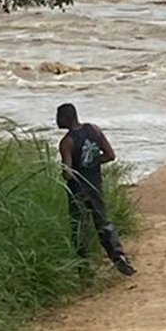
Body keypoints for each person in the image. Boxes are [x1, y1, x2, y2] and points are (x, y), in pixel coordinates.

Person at [56, 103, 136, 276]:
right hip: (95, 185)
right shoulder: (94, 130)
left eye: (58, 117)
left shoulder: (67, 142)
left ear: (65, 118)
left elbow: (68, 173)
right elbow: (110, 156)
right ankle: (119, 257)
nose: (56, 121)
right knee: (103, 222)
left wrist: (66, 170)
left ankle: (84, 268)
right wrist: (92, 162)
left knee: (80, 228)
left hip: (77, 190)